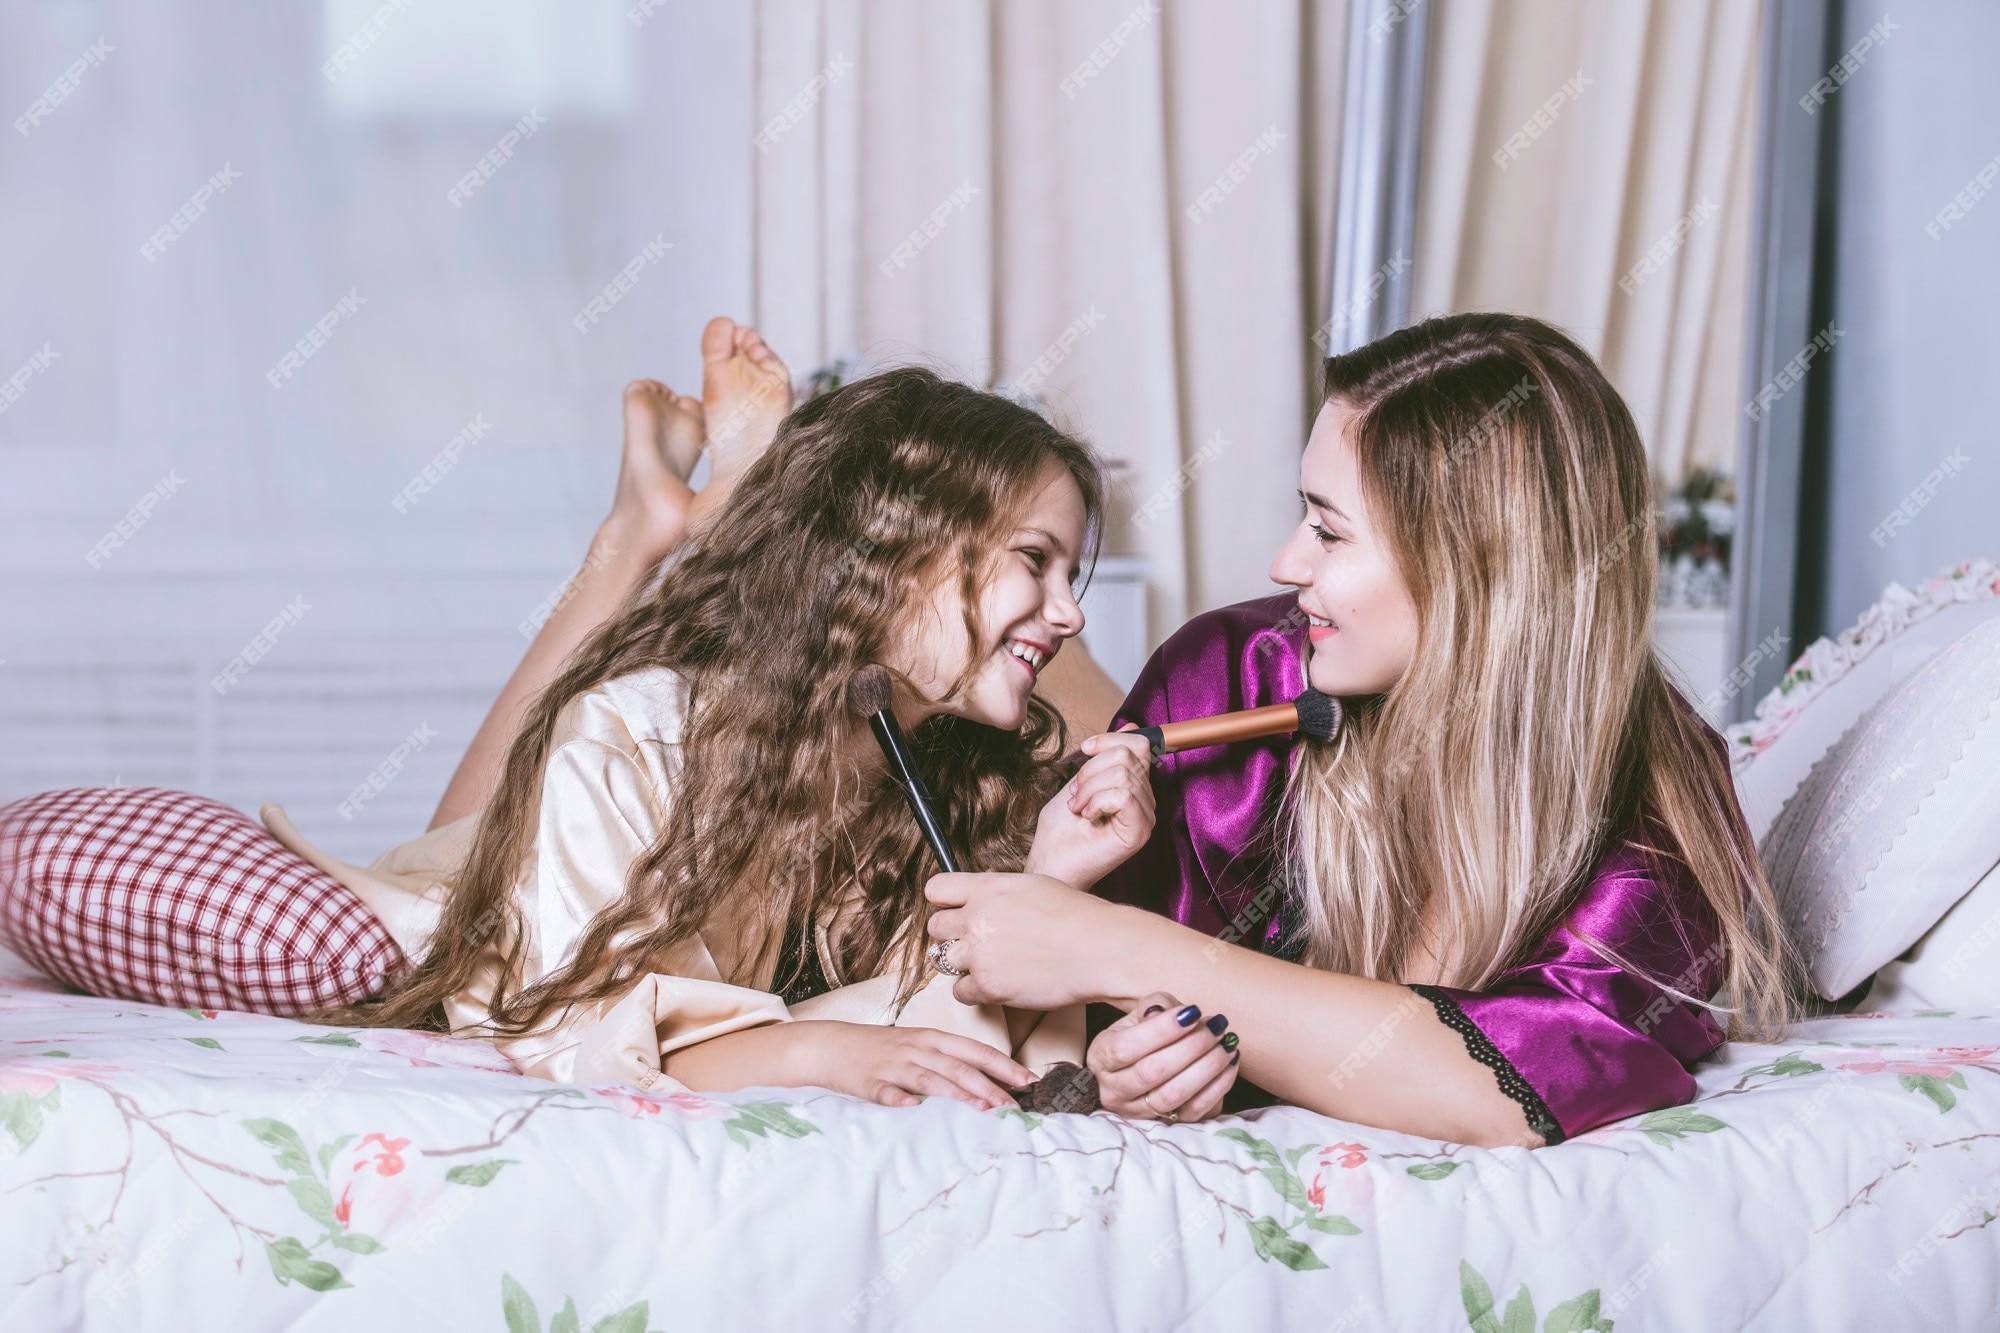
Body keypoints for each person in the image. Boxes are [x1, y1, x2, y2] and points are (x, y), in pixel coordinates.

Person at [266, 318, 1237, 1117]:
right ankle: (645, 528)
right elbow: (562, 1030)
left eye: (1074, 577)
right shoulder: (634, 737)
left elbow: (944, 1036)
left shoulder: (953, 766)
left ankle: (687, 505)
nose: (1069, 614)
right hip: (501, 917)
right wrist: (819, 1052)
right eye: (1035, 560)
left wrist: (1046, 887)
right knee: (451, 854)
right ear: (893, 551)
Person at [917, 312, 1796, 1144]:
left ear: (1475, 571)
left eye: (1330, 532)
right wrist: (1124, 1065)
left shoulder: (1660, 793)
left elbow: (1521, 1084)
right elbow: (1070, 1021)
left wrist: (1113, 947)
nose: (1285, 563)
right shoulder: (1225, 672)